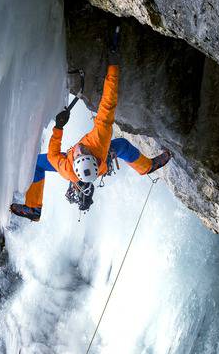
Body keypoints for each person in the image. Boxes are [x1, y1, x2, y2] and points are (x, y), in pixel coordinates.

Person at [10, 33, 171, 222]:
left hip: (85, 169)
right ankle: (147, 166)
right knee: (120, 146)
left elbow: (54, 152)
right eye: (82, 151)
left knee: (38, 164)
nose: (78, 149)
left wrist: (59, 127)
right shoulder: (99, 141)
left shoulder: (66, 168)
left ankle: (34, 208)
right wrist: (113, 66)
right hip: (100, 161)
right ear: (90, 155)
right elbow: (108, 103)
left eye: (77, 154)